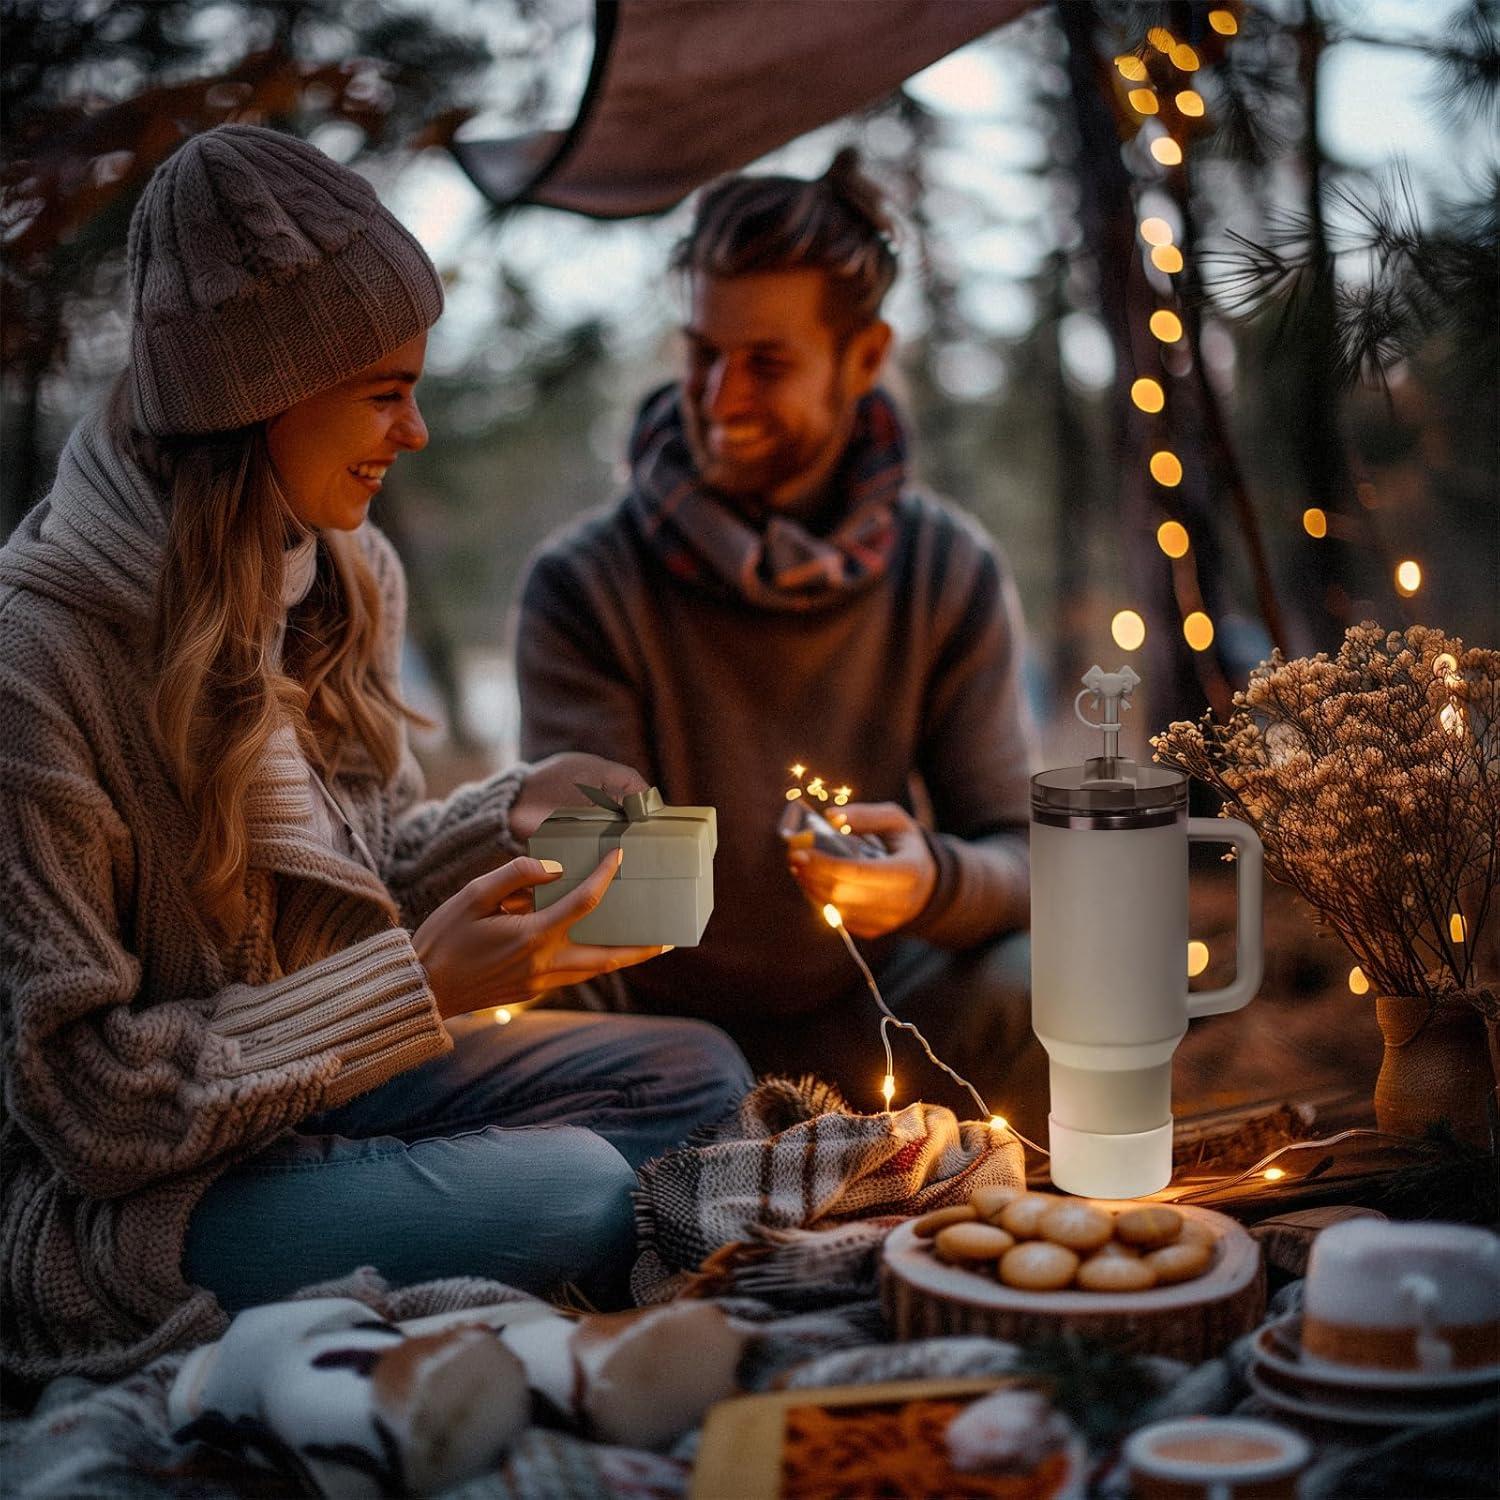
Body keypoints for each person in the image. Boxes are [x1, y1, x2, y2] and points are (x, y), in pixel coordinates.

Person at [0, 124, 751, 1392]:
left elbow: (367, 860)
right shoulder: (41, 654)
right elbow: (88, 1105)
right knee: (576, 1191)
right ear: (261, 397)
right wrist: (416, 995)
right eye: (385, 390)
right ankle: (402, 1227)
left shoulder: (346, 574)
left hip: (320, 1094)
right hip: (140, 1197)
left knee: (697, 1072)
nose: (416, 430)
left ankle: (390, 1203)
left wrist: (512, 817)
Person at [517, 149, 1043, 1127]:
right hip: (661, 1040)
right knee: (542, 1035)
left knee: (1044, 983)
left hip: (884, 1015)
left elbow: (1024, 853)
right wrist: (593, 856)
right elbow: (590, 904)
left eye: (766, 363)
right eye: (701, 353)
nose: (718, 400)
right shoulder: (584, 586)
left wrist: (933, 880)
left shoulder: (944, 571)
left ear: (867, 356)